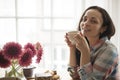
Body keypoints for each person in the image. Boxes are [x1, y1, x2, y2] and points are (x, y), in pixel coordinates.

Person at [65, 6, 118, 80]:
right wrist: (72, 48)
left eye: (93, 21)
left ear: (103, 28)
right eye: (85, 19)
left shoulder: (109, 50)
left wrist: (85, 52)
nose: (85, 23)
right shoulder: (84, 45)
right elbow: (74, 75)